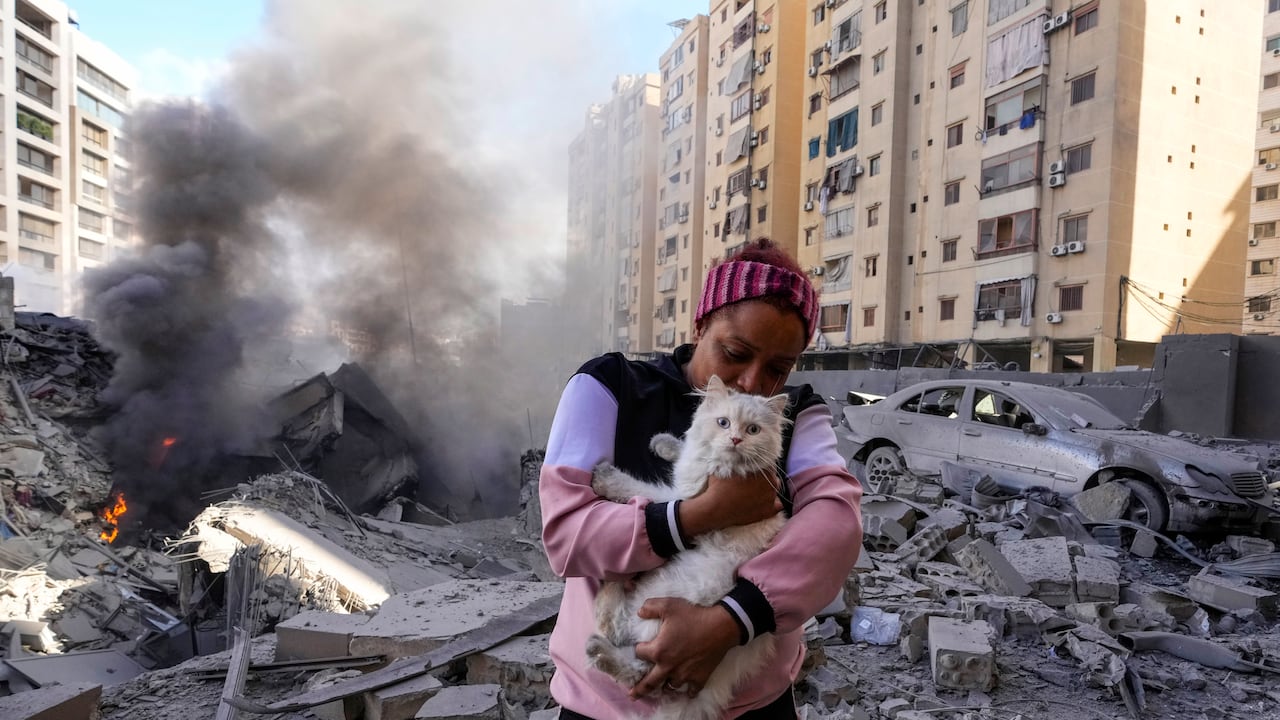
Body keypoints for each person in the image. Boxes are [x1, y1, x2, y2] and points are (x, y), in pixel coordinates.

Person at [540, 238, 864, 719]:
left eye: (779, 368)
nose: (752, 382)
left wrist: (730, 622)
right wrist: (697, 515)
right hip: (604, 705)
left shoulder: (794, 416)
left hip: (750, 703)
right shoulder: (610, 386)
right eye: (735, 353)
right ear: (701, 323)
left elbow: (836, 527)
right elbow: (567, 536)